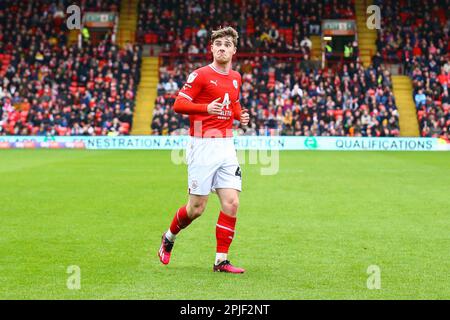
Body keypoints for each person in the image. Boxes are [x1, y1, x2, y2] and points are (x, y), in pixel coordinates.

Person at [157, 27, 250, 273]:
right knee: (196, 209)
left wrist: (241, 115)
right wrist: (207, 109)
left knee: (232, 202)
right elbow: (179, 104)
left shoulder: (236, 77)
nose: (222, 47)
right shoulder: (199, 75)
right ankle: (169, 237)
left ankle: (221, 260)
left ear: (233, 50)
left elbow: (235, 101)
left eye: (227, 44)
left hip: (227, 145)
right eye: (218, 43)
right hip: (202, 144)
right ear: (211, 48)